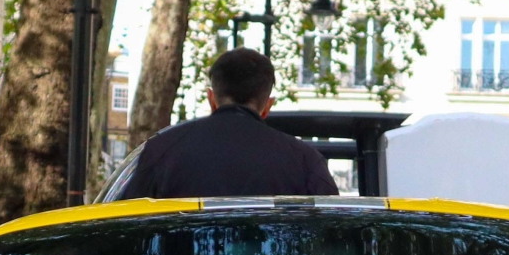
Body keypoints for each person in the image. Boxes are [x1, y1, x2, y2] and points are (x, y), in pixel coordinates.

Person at [109, 46, 338, 199]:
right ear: (267, 106)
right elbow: (332, 235)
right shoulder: (305, 160)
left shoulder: (160, 150)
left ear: (212, 99)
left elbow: (124, 222)